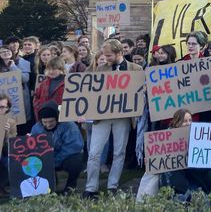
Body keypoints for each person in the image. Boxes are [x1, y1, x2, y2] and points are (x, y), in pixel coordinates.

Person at [83, 39, 143, 198]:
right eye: (104, 55)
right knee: (94, 153)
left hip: (123, 117)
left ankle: (112, 186)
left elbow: (140, 91)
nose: (106, 58)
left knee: (119, 152)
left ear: (120, 53)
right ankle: (90, 188)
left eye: (109, 55)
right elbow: (85, 83)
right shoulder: (100, 69)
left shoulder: (136, 69)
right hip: (101, 117)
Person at [160, 108, 211, 200]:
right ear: (177, 123)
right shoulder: (167, 139)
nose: (189, 123)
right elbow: (159, 160)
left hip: (194, 175)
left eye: (190, 120)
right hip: (175, 179)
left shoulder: (198, 137)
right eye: (185, 121)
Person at [31, 101, 84, 193]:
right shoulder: (36, 128)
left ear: (57, 118)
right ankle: (48, 187)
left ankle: (70, 187)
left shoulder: (69, 125)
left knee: (76, 162)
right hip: (46, 158)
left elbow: (73, 147)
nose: (48, 125)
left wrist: (54, 161)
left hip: (65, 157)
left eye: (51, 121)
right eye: (44, 122)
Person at [33, 56, 66, 120]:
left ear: (61, 69)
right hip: (45, 117)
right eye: (49, 69)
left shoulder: (68, 83)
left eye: (54, 69)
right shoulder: (44, 82)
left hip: (61, 117)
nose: (51, 71)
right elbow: (36, 97)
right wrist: (39, 108)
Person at [0, 94, 18, 194]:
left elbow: (12, 149)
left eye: (2, 107)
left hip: (4, 153)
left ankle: (2, 186)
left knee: (9, 163)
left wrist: (6, 135)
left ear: (7, 108)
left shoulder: (10, 123)